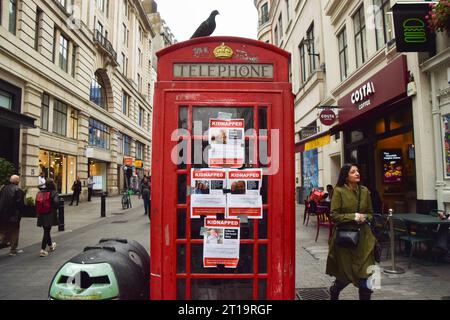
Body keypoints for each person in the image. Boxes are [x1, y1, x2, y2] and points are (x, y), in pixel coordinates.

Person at [326, 163, 376, 300]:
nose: (357, 173)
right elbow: (334, 215)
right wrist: (353, 217)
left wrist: (365, 217)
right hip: (345, 240)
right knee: (345, 275)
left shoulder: (365, 191)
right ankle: (335, 289)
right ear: (346, 176)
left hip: (364, 240)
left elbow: (371, 214)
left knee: (366, 276)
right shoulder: (339, 191)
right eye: (353, 172)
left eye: (358, 171)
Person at [0, 175, 24, 256]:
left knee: (3, 232)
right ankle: (13, 250)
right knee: (14, 232)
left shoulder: (3, 188)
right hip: (14, 216)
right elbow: (20, 205)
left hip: (3, 215)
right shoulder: (18, 190)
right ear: (17, 181)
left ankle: (4, 243)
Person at [36, 178, 59, 257]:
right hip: (49, 214)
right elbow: (56, 202)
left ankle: (51, 246)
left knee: (46, 230)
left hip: (41, 214)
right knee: (46, 231)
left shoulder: (40, 192)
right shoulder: (54, 192)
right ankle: (42, 250)